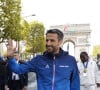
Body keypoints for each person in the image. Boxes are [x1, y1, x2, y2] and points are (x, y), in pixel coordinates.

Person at [7, 29, 80, 90]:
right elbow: (18, 69)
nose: (48, 43)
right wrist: (11, 58)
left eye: (52, 40)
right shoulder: (38, 60)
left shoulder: (70, 60)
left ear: (60, 42)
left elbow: (75, 84)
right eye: (47, 40)